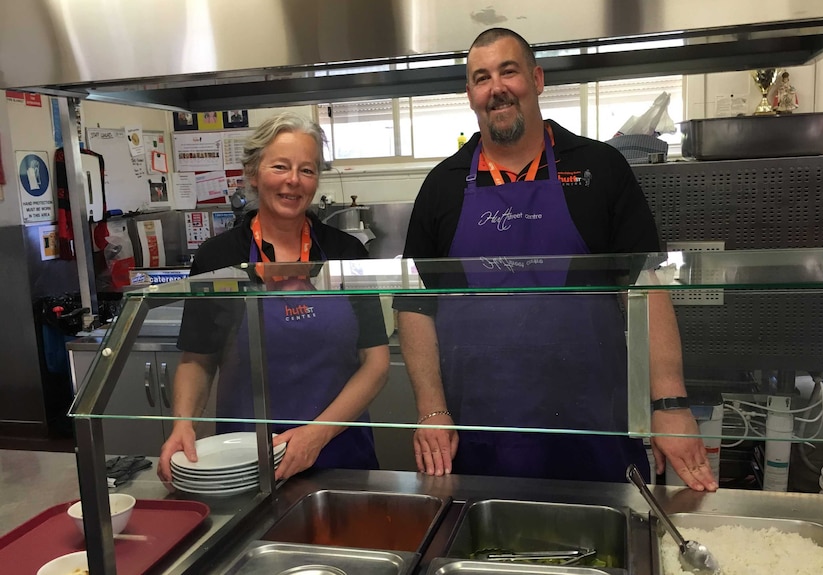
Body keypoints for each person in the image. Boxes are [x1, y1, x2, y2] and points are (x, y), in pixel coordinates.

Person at [395, 28, 718, 492]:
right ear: (469, 94)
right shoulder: (441, 186)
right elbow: (415, 305)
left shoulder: (602, 168)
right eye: (481, 78)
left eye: (509, 71)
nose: (497, 88)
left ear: (537, 78)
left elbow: (645, 288)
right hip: (479, 432)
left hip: (593, 426)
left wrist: (669, 404)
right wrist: (431, 409)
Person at [157, 113, 390, 484]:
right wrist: (183, 425)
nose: (293, 181)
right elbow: (198, 360)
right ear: (253, 173)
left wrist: (317, 435)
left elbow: (376, 361)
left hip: (342, 453)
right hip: (247, 459)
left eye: (307, 170)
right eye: (280, 166)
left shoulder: (346, 251)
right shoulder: (218, 258)